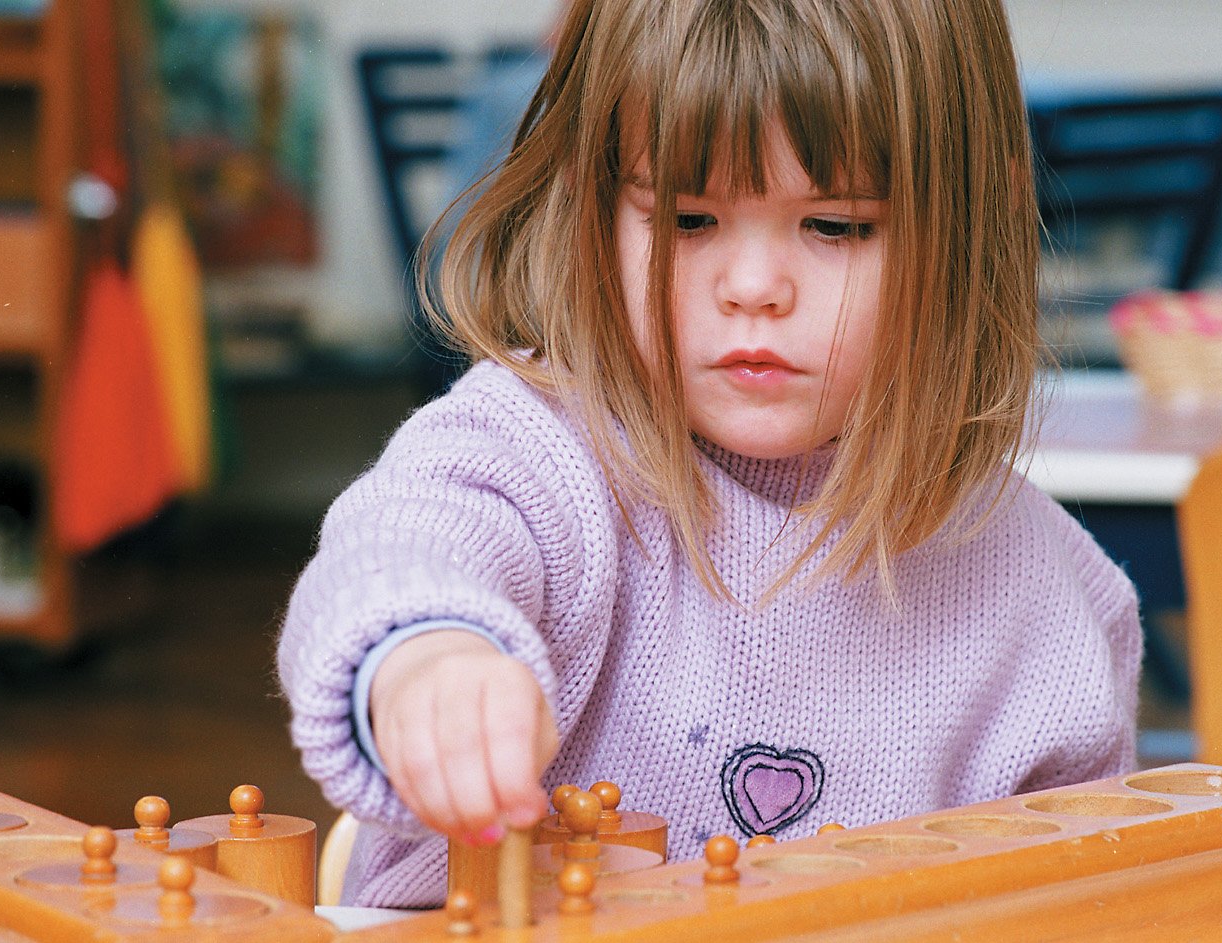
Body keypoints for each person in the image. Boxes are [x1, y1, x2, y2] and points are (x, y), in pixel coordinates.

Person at [277, 0, 1142, 909]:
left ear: (977, 217)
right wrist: (427, 658)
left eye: (837, 226)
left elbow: (1086, 902)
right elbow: (398, 546)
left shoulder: (1056, 600)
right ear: (590, 199)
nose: (753, 288)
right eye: (688, 219)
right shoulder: (536, 445)